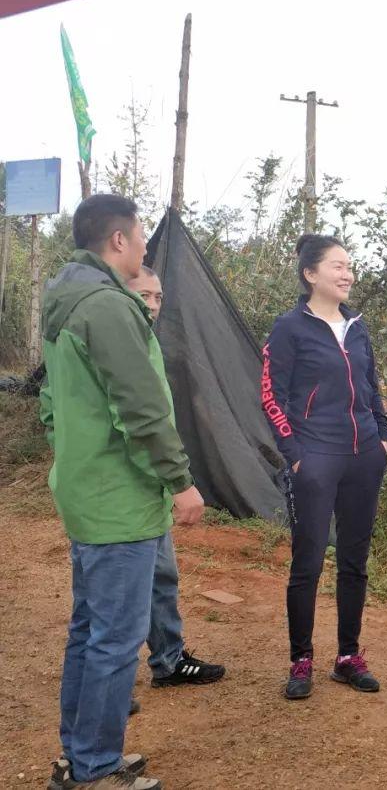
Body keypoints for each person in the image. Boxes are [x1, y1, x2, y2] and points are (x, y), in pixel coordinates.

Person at [40, 194, 204, 790]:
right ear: (118, 241)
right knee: (114, 639)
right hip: (119, 498)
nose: (142, 247)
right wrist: (180, 482)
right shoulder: (108, 308)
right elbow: (140, 409)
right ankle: (95, 768)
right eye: (139, 237)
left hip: (86, 490)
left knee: (90, 630)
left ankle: (78, 754)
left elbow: (57, 404)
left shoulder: (64, 300)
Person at [261, 234, 387, 700]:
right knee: (309, 562)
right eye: (337, 266)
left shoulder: (357, 326)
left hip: (364, 458)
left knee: (354, 560)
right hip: (315, 457)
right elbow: (270, 395)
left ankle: (348, 657)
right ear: (310, 274)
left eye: (350, 266)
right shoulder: (289, 328)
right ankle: (301, 661)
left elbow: (371, 385)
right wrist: (295, 455)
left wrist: (382, 436)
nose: (347, 273)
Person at [126, 265, 226, 689]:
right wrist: (178, 481)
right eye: (142, 295)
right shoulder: (121, 342)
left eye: (157, 296)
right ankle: (106, 684)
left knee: (161, 575)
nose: (151, 305)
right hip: (125, 489)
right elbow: (142, 421)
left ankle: (168, 659)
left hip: (147, 487)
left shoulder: (143, 339)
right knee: (121, 590)